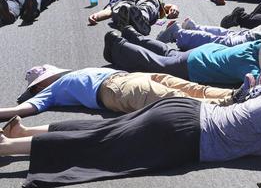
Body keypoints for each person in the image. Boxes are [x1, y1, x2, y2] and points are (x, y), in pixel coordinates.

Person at [0, 72, 261, 188]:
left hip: (183, 112)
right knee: (98, 149)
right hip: (186, 133)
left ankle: (24, 131)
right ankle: (7, 147)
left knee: (103, 132)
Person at [0, 64, 235, 120]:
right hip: (114, 90)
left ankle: (236, 94)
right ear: (39, 85)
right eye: (44, 77)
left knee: (190, 88)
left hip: (128, 77)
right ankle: (230, 108)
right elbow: (22, 109)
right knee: (172, 98)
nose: (49, 76)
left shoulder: (71, 73)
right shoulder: (48, 92)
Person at [105, 28, 261, 85]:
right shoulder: (251, 67)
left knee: (169, 53)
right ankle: (118, 45)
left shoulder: (259, 47)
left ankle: (134, 36)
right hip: (197, 66)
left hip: (207, 51)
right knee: (158, 64)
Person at [87, 0, 179, 35]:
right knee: (121, 6)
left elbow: (167, 6)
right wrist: (96, 16)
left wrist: (174, 8)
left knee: (148, 5)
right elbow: (109, 9)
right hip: (126, 0)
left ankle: (140, 19)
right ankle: (126, 18)